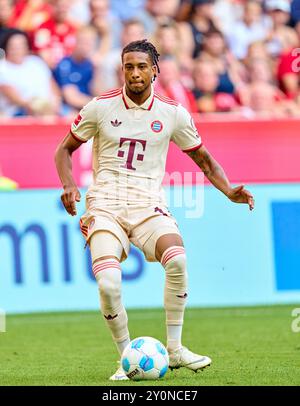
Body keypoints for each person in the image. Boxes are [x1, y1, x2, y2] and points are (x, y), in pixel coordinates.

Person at [54, 39, 254, 381]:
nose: (134, 73)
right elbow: (64, 150)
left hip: (149, 204)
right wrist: (69, 185)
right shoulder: (100, 107)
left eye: (141, 66)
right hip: (105, 204)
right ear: (122, 69)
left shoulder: (172, 113)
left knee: (176, 258)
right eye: (128, 66)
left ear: (154, 71)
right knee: (108, 285)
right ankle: (127, 357)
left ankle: (174, 350)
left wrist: (228, 190)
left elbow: (203, 159)